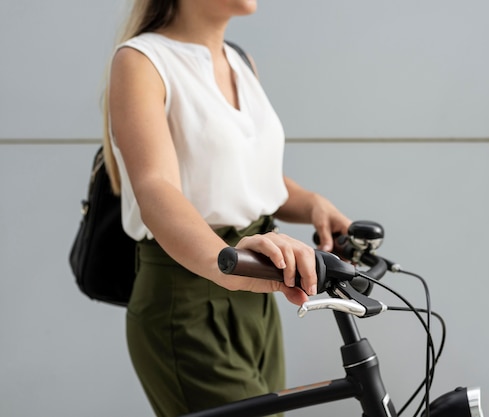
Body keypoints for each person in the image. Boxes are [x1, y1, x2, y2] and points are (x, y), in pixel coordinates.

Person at [101, 1, 351, 416]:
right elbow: (155, 187)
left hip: (255, 289)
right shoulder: (142, 60)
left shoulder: (240, 61)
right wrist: (226, 264)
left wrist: (313, 205)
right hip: (189, 296)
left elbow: (244, 177)